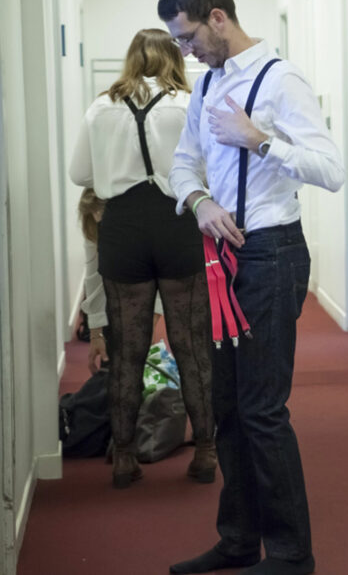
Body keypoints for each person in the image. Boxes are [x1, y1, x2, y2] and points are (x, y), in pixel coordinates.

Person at [159, 0, 344, 575]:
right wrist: (199, 201)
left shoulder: (280, 78)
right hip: (221, 258)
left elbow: (329, 169)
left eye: (187, 38)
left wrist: (258, 139)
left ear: (218, 17)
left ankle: (292, 555)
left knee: (264, 410)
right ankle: (238, 540)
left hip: (272, 255)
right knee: (228, 409)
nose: (183, 52)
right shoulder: (206, 84)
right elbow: (182, 164)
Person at [69, 30, 217, 489]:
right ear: (174, 58)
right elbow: (211, 168)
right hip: (177, 225)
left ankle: (125, 458)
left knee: (127, 351)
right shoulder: (189, 104)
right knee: (190, 345)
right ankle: (207, 452)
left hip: (124, 230)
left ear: (131, 60)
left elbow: (80, 174)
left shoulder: (100, 106)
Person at [78, 187, 165, 376]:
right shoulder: (94, 225)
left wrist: (151, 320)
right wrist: (95, 332)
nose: (98, 218)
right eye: (94, 214)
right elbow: (94, 275)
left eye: (102, 212)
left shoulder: (145, 221)